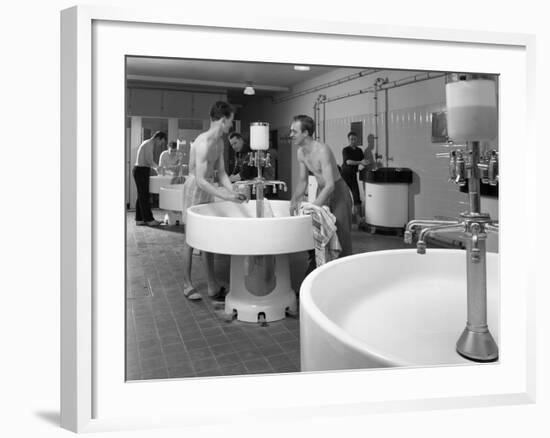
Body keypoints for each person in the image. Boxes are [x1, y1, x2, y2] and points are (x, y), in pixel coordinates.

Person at [181, 101, 247, 301]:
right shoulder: (203, 143)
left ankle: (211, 285)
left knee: (206, 236)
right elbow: (200, 180)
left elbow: (222, 174)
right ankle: (186, 283)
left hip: (208, 186)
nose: (231, 125)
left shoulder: (219, 142)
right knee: (191, 239)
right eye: (231, 121)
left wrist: (232, 190)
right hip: (195, 187)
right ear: (223, 119)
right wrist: (225, 196)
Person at [289, 115, 353, 274]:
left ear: (305, 133)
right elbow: (303, 181)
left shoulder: (322, 150)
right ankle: (319, 270)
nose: (291, 135)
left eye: (294, 131)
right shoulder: (300, 153)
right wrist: (294, 200)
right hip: (321, 190)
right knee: (320, 232)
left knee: (341, 234)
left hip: (338, 191)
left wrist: (313, 207)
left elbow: (330, 184)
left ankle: (345, 275)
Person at [133, 131, 167, 226]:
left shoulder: (147, 143)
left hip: (141, 170)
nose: (160, 144)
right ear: (158, 138)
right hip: (141, 170)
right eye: (161, 142)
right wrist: (158, 168)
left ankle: (139, 219)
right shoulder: (149, 144)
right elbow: (149, 160)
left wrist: (156, 168)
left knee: (141, 196)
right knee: (144, 196)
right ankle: (149, 220)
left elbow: (149, 162)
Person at [341, 131, 368, 224]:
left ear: (357, 140)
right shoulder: (345, 150)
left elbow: (363, 160)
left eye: (355, 139)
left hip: (353, 176)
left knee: (356, 196)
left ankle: (359, 219)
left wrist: (365, 163)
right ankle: (342, 217)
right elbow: (348, 162)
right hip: (344, 175)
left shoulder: (359, 151)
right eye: (351, 139)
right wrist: (360, 162)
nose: (353, 141)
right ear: (348, 140)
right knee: (343, 196)